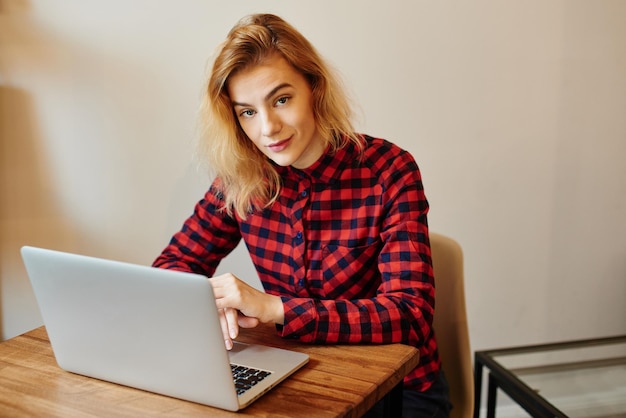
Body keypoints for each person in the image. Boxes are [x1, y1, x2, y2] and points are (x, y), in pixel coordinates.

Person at [153, 13, 452, 417]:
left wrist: (276, 309)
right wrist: (207, 301)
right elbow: (173, 264)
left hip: (398, 390)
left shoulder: (388, 170)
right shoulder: (242, 177)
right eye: (247, 112)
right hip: (301, 375)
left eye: (281, 99)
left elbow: (410, 315)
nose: (268, 128)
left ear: (314, 88)